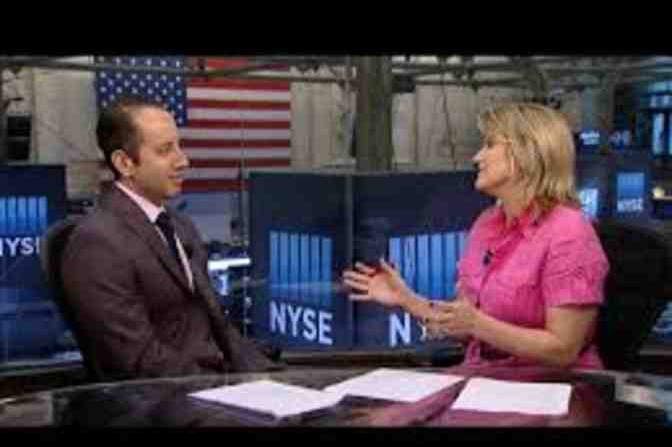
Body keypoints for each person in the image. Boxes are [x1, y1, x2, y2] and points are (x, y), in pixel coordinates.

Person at [343, 102, 609, 369]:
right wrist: (407, 299)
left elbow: (563, 350)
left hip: (548, 386)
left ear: (527, 153)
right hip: (481, 376)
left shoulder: (569, 232)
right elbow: (464, 327)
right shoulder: (486, 224)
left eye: (490, 145)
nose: (477, 157)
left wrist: (478, 325)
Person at [61, 96, 279, 380]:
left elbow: (219, 326)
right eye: (165, 150)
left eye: (179, 146)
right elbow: (138, 360)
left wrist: (269, 377)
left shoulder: (180, 225)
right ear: (125, 163)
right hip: (166, 396)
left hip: (218, 383)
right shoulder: (96, 242)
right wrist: (220, 388)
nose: (183, 161)